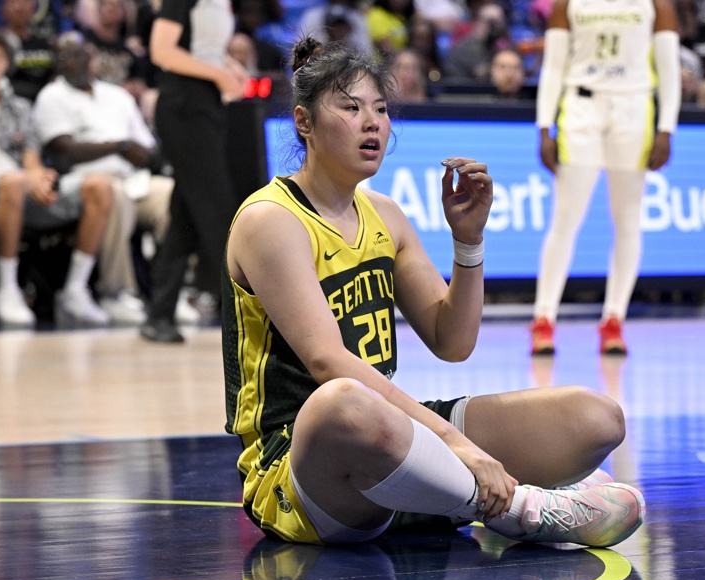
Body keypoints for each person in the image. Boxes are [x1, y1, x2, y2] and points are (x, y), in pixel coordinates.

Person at [222, 37, 645, 547]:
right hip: (299, 467)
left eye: (380, 109)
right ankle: (520, 508)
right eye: (351, 108)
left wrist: (468, 241)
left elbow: (453, 341)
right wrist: (454, 442)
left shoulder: (384, 214)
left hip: (391, 442)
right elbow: (327, 362)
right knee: (344, 402)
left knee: (597, 417)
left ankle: (445, 496)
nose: (372, 123)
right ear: (304, 122)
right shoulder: (270, 219)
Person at [529, 0, 682, 356]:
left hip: (634, 108)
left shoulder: (657, 5)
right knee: (565, 220)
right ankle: (543, 319)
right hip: (581, 107)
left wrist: (666, 128)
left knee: (627, 220)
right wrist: (544, 126)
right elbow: (553, 67)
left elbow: (669, 70)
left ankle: (614, 319)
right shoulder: (567, 3)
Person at [0, 28, 114, 326]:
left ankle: (75, 290)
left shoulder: (20, 107)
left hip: (21, 188)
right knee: (13, 181)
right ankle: (7, 290)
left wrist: (38, 177)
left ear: (7, 63)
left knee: (99, 184)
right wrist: (23, 177)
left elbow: (32, 160)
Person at [33, 31, 174, 325]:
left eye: (81, 54)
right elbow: (63, 150)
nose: (75, 61)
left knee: (173, 195)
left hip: (132, 177)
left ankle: (170, 290)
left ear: (93, 57)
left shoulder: (117, 95)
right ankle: (117, 292)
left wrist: (138, 153)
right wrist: (119, 146)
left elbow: (147, 147)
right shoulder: (51, 96)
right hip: (84, 180)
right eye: (67, 56)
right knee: (111, 193)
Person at [142, 0, 247, 342]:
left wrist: (230, 66)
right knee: (218, 211)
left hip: (207, 107)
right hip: (182, 108)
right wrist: (219, 74)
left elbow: (204, 48)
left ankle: (159, 314)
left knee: (186, 216)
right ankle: (250, 314)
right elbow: (162, 51)